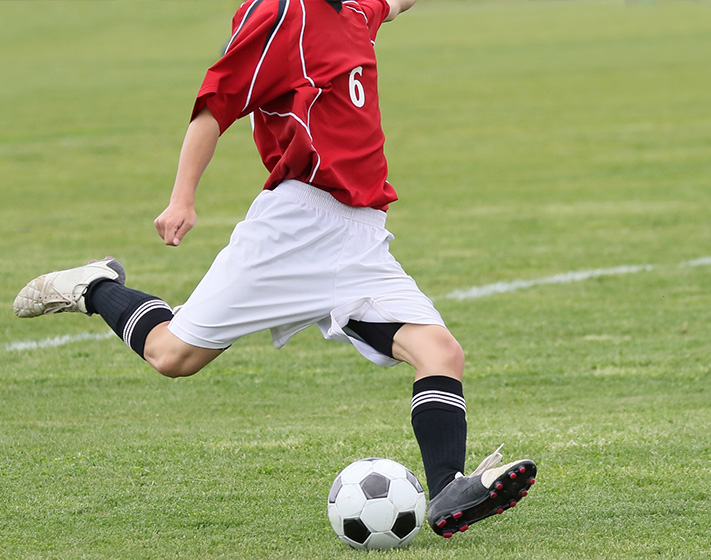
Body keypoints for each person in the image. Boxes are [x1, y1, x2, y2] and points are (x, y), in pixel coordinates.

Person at [13, 0, 535, 538]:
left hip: (360, 238)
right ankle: (95, 285)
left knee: (441, 351)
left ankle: (449, 489)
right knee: (172, 356)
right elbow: (215, 105)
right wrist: (182, 198)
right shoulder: (284, 12)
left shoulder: (356, 9)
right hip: (293, 229)